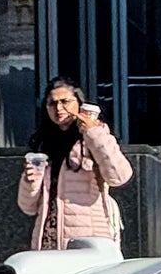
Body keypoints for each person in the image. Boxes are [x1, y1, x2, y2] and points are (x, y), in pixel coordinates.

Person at [18, 76, 133, 249]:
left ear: (79, 103)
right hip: (49, 241)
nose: (59, 108)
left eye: (65, 101)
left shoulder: (95, 136)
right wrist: (29, 182)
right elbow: (28, 207)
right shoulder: (44, 144)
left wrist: (93, 133)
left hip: (88, 239)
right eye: (52, 103)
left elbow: (120, 176)